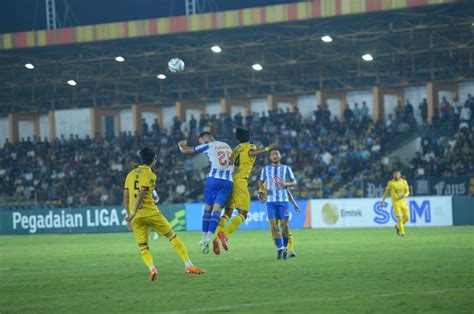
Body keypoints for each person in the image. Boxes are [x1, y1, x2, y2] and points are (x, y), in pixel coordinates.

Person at [123, 147, 205, 281]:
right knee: (172, 236)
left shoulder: (130, 174)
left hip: (136, 217)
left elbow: (125, 198)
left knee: (143, 246)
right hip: (150, 213)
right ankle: (188, 265)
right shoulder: (150, 175)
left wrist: (129, 216)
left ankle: (152, 268)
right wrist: (134, 213)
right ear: (154, 159)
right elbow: (143, 193)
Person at [212, 128, 274, 255]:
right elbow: (252, 153)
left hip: (230, 180)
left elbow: (227, 163)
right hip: (240, 181)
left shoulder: (235, 149)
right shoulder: (250, 146)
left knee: (228, 212)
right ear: (249, 136)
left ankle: (215, 238)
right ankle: (224, 234)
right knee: (243, 213)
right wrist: (267, 149)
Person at [178, 132, 233, 254]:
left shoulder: (209, 145)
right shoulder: (227, 146)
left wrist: (180, 144)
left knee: (208, 208)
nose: (200, 143)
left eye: (200, 141)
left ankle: (203, 238)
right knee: (217, 211)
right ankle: (209, 237)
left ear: (205, 138)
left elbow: (185, 150)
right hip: (228, 181)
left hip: (214, 180)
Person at [258, 149, 297, 259]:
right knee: (274, 226)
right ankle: (280, 248)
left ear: (280, 156)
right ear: (270, 157)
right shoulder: (265, 169)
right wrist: (264, 190)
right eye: (272, 154)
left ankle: (285, 247)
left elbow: (294, 182)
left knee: (284, 226)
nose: (275, 156)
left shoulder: (286, 168)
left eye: (277, 154)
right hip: (271, 202)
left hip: (283, 201)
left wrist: (286, 183)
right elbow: (260, 182)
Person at [259, 180, 300, 258]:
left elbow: (288, 193)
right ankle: (280, 248)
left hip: (282, 205)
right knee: (275, 229)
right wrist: (264, 197)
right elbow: (261, 198)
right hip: (272, 207)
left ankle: (290, 249)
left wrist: (294, 204)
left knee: (285, 227)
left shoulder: (280, 180)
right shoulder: (265, 183)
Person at [380, 170, 410, 237]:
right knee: (399, 217)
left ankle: (397, 226)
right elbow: (386, 192)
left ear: (400, 175)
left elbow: (408, 192)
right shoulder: (391, 183)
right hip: (396, 203)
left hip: (403, 202)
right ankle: (402, 233)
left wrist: (405, 195)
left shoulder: (404, 182)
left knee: (407, 217)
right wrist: (382, 201)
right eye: (394, 174)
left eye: (397, 174)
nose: (396, 175)